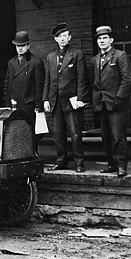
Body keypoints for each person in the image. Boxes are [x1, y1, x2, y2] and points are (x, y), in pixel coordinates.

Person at [43, 23, 89, 172]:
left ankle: (79, 163)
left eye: (65, 36)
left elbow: (82, 78)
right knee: (57, 134)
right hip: (55, 101)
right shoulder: (50, 57)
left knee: (75, 134)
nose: (62, 39)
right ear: (55, 39)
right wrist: (45, 99)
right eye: (59, 36)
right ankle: (61, 161)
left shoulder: (77, 54)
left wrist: (80, 98)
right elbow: (47, 80)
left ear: (69, 37)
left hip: (71, 101)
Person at [90, 26, 131, 177]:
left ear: (111, 40)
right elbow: (93, 82)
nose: (102, 41)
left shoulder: (120, 56)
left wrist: (119, 98)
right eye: (99, 38)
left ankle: (121, 165)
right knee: (106, 136)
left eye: (105, 38)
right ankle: (111, 164)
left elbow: (127, 79)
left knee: (117, 135)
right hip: (101, 103)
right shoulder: (95, 59)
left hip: (116, 103)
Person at [3, 31, 45, 143]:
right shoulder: (11, 62)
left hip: (28, 104)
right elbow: (7, 83)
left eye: (22, 46)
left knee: (29, 133)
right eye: (18, 46)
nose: (20, 48)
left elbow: (39, 86)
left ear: (28, 46)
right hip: (14, 104)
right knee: (14, 132)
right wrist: (7, 103)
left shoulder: (36, 62)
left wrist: (38, 105)